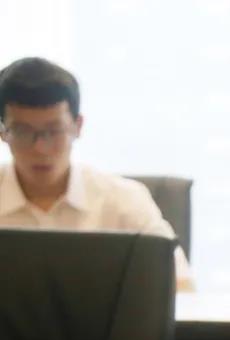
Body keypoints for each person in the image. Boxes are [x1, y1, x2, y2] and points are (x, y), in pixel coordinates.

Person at [0, 57, 193, 291]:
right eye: (22, 131)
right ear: (3, 132)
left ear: (77, 126)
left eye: (54, 130)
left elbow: (181, 284)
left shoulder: (123, 199)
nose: (40, 147)